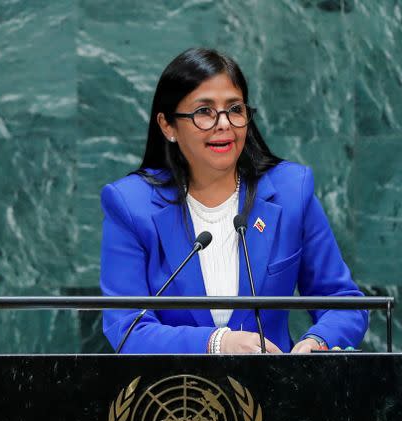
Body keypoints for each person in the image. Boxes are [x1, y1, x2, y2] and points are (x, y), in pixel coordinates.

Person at [100, 48, 367, 354]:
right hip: (177, 395)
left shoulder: (291, 191)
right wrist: (217, 343)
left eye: (235, 109)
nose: (224, 123)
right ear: (168, 125)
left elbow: (343, 303)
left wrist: (316, 343)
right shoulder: (130, 205)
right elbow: (127, 329)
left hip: (274, 393)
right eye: (204, 112)